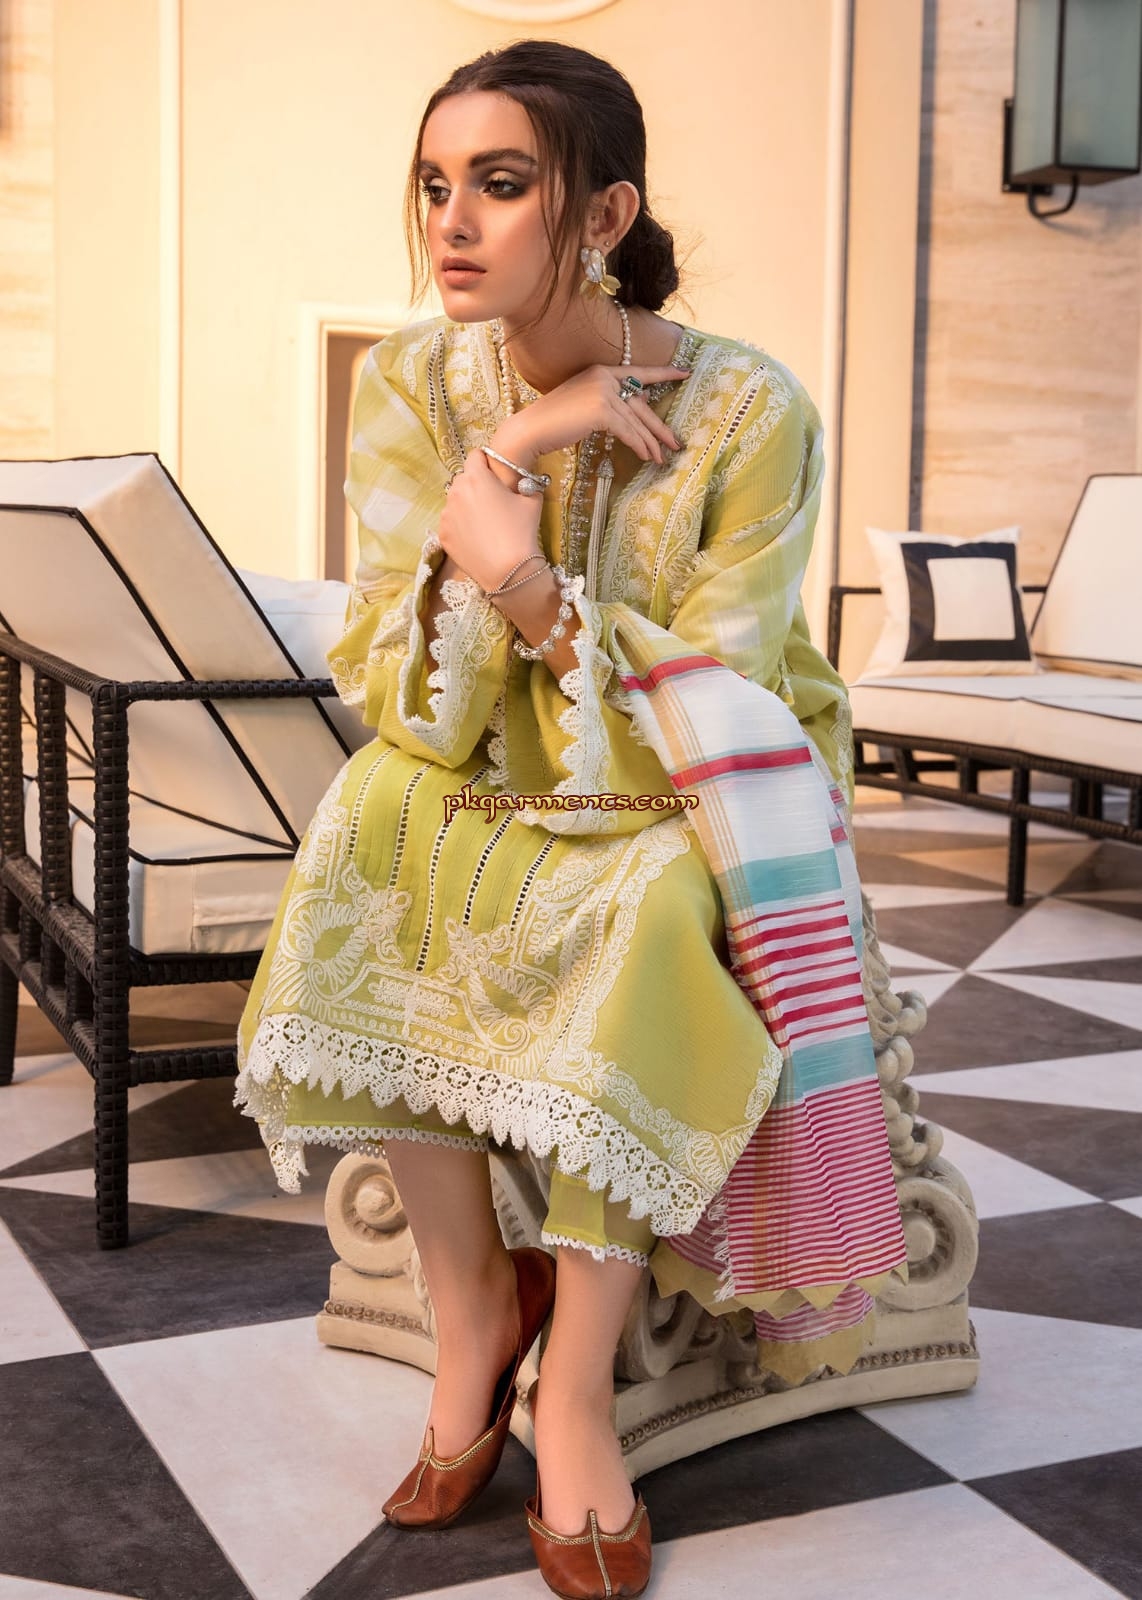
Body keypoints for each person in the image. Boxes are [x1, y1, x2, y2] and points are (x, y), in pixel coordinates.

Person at [234, 38, 906, 1600]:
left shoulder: (750, 409)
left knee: (642, 912)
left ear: (602, 214)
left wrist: (527, 583)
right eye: (433, 185)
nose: (450, 221)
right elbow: (399, 693)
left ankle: (579, 1388)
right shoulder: (412, 383)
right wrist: (514, 450)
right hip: (486, 748)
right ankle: (478, 1310)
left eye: (498, 183)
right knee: (365, 838)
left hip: (699, 771)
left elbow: (720, 689)